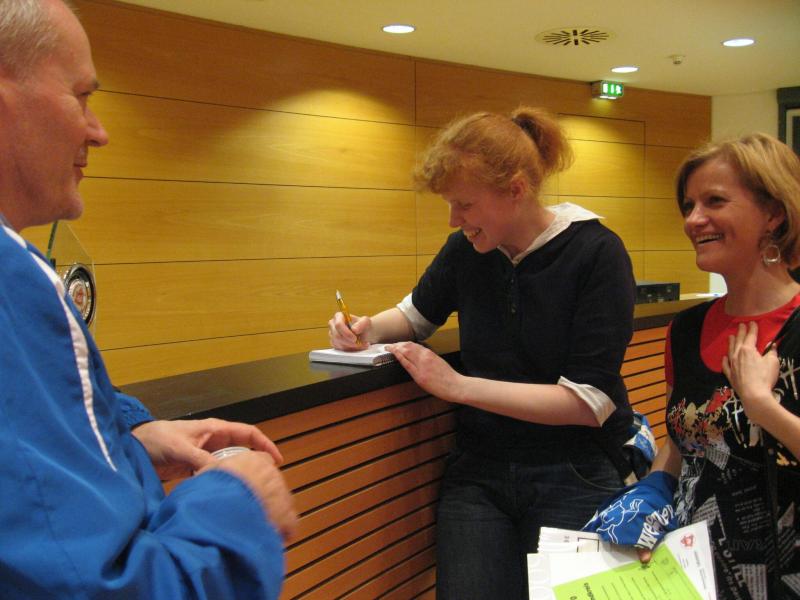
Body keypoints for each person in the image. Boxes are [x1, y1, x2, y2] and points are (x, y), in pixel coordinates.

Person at [0, 1, 296, 597]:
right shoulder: (14, 283)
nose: (98, 131)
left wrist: (129, 437)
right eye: (82, 96)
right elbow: (98, 586)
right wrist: (237, 498)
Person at [328, 106, 637, 599]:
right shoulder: (465, 250)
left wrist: (457, 386)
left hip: (575, 470)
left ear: (516, 189)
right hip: (479, 472)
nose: (455, 220)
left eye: (464, 205)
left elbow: (588, 402)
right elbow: (415, 315)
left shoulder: (596, 252)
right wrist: (366, 329)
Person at [584, 133, 800, 600]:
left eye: (714, 201)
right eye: (688, 205)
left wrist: (763, 407)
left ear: (773, 213)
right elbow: (685, 442)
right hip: (694, 575)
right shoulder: (686, 330)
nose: (693, 219)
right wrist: (651, 495)